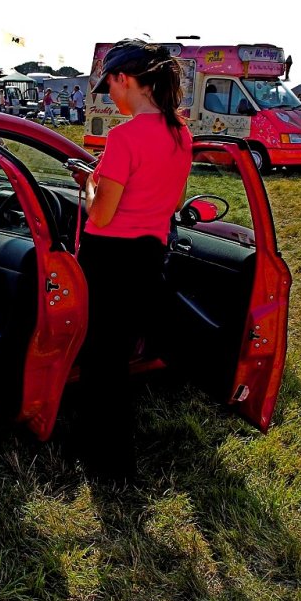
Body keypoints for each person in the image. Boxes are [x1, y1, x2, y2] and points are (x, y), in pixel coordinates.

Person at [71, 39, 193, 480]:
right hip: (149, 255)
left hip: (109, 259)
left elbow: (100, 213)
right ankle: (113, 455)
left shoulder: (123, 137)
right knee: (118, 359)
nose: (111, 97)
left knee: (101, 363)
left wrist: (86, 186)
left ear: (126, 80)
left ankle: (108, 461)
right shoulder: (181, 134)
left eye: (112, 87)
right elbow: (172, 202)